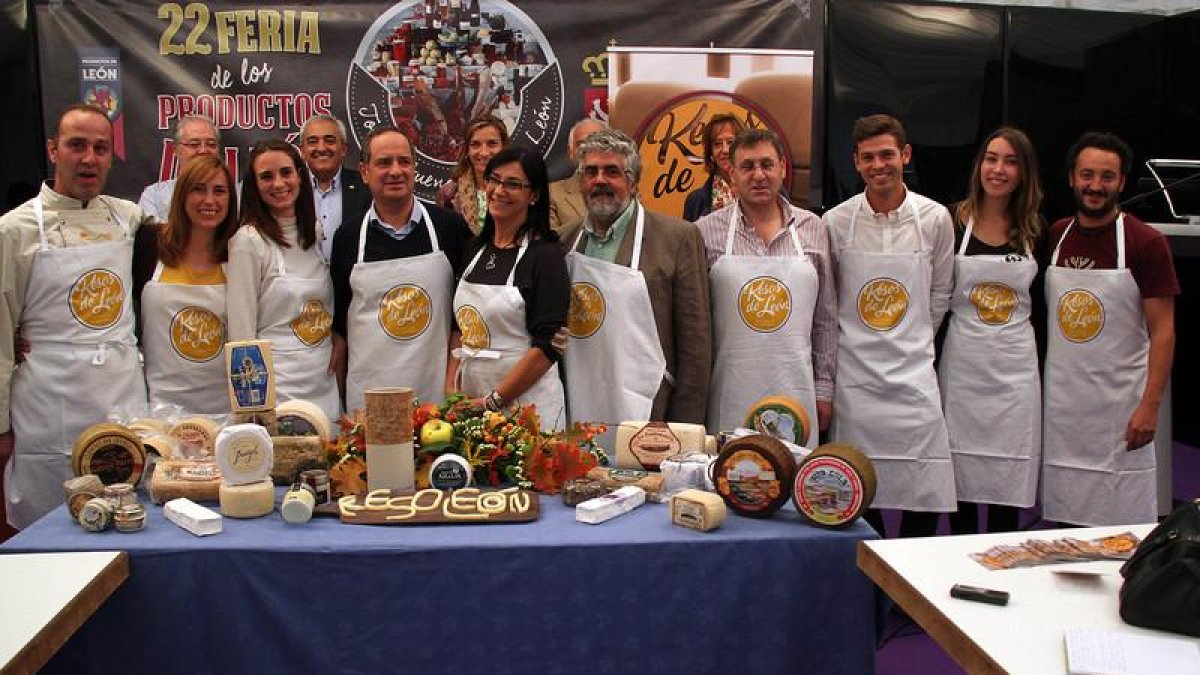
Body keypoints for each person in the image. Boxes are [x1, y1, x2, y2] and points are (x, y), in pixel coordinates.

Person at [1, 104, 152, 529]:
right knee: (50, 524)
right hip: (48, 403)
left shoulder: (129, 218)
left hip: (118, 395)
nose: (88, 158)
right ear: (53, 150)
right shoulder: (13, 231)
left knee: (129, 515)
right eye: (76, 145)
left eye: (100, 148)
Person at [822, 114, 956, 538]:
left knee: (924, 487)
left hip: (914, 377)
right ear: (856, 164)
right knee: (860, 490)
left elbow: (940, 295)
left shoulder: (935, 219)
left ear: (906, 155)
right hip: (856, 382)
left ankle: (913, 583)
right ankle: (872, 585)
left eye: (887, 154)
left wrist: (912, 340)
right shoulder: (836, 222)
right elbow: (831, 302)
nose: (879, 165)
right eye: (868, 158)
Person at [1042, 132, 1178, 527]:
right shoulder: (1057, 235)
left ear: (1121, 182)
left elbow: (1164, 331)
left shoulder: (1147, 243)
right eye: (1087, 175)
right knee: (1062, 534)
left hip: (1120, 411)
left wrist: (1150, 407)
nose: (1095, 186)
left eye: (1106, 177)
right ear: (1072, 178)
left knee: (1121, 532)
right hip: (1064, 411)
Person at [560, 129, 711, 425]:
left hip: (649, 408)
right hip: (578, 402)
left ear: (632, 181)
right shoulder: (563, 240)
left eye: (612, 171)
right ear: (581, 182)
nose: (599, 180)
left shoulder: (677, 238)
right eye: (591, 172)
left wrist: (683, 428)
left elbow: (696, 348)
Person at [696, 128, 835, 445]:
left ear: (783, 168)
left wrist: (824, 389)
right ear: (731, 173)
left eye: (767, 165)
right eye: (747, 166)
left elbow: (826, 319)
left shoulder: (813, 228)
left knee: (794, 483)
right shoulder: (704, 232)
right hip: (728, 390)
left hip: (797, 391)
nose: (758, 175)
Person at [940, 128, 1044, 534]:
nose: (998, 169)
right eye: (991, 158)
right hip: (963, 368)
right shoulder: (952, 221)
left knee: (1006, 486)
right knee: (959, 484)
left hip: (1015, 374)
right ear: (979, 165)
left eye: (1010, 161)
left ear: (1024, 173)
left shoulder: (1038, 231)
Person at [330, 125, 472, 413]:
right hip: (369, 400)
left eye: (404, 161)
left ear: (414, 168)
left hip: (435, 398)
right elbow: (340, 329)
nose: (396, 171)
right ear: (364, 171)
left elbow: (464, 317)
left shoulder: (450, 228)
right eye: (384, 163)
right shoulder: (347, 237)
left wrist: (453, 386)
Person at [446, 146, 569, 430]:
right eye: (494, 179)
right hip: (473, 401)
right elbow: (459, 328)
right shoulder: (474, 249)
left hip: (527, 407)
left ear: (534, 195)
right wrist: (452, 388)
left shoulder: (546, 256)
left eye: (513, 184)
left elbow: (548, 345)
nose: (499, 190)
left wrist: (494, 400)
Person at [227, 139, 342, 423]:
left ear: (300, 176)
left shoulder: (313, 233)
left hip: (322, 382)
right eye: (266, 176)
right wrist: (252, 411)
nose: (278, 183)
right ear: (254, 186)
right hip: (279, 390)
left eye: (286, 172)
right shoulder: (248, 241)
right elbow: (241, 335)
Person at [134, 155, 237, 415]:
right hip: (159, 410)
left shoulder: (240, 254)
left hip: (227, 414)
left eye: (220, 191)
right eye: (198, 189)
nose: (210, 201)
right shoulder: (148, 244)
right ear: (182, 195)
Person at [300, 114, 370, 262]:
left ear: (344, 149)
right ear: (302, 151)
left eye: (329, 140)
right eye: (312, 142)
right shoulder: (290, 191)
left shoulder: (366, 187)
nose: (321, 148)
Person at [138, 115, 220, 221]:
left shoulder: (236, 194)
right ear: (176, 150)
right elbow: (152, 236)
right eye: (194, 144)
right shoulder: (154, 196)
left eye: (211, 144)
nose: (203, 150)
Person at [437, 115, 509, 234]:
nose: (484, 153)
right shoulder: (449, 195)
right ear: (467, 150)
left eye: (492, 143)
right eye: (475, 144)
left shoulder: (520, 189)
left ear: (504, 147)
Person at [683, 113, 744, 222]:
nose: (724, 150)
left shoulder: (765, 189)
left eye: (730, 142)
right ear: (710, 152)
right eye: (717, 144)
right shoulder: (696, 201)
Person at [548, 117, 606, 231]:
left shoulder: (625, 191)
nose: (589, 149)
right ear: (570, 152)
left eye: (597, 142)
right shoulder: (551, 193)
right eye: (582, 144)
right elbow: (549, 242)